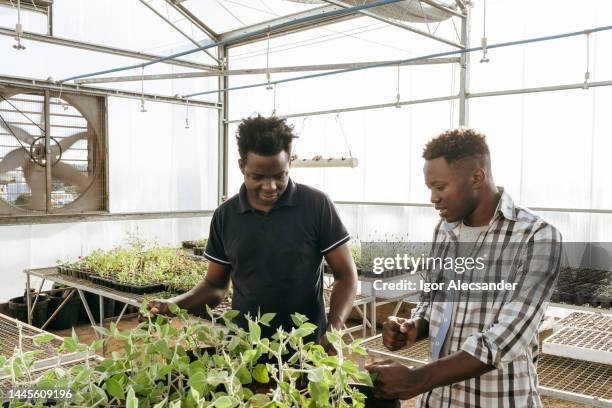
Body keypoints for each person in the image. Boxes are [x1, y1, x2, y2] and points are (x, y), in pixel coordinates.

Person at [367, 128, 562, 406]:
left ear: (476, 178)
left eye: (440, 186)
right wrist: (414, 326)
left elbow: (506, 338)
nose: (433, 198)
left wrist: (416, 380)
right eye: (430, 188)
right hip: (439, 400)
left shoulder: (536, 236)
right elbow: (432, 300)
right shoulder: (445, 230)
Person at [148, 115, 358, 349]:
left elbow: (345, 275)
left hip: (307, 349)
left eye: (279, 175)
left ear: (290, 163)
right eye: (257, 177)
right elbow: (215, 286)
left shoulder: (316, 205)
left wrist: (334, 329)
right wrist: (172, 304)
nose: (270, 187)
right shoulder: (226, 216)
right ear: (241, 166)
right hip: (245, 349)